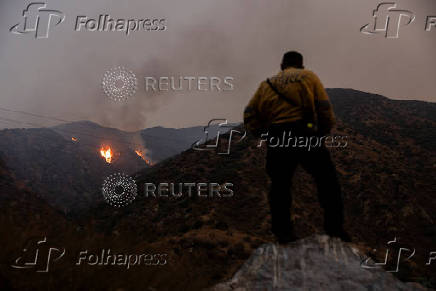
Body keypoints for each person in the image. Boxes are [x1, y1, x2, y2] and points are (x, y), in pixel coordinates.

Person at [243, 51, 351, 243]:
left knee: (280, 186)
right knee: (327, 181)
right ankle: (334, 228)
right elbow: (324, 107)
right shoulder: (308, 76)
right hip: (304, 133)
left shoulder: (267, 84)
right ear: (301, 65)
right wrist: (322, 132)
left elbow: (249, 113)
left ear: (282, 65)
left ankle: (283, 233)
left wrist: (262, 134)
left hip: (278, 137)